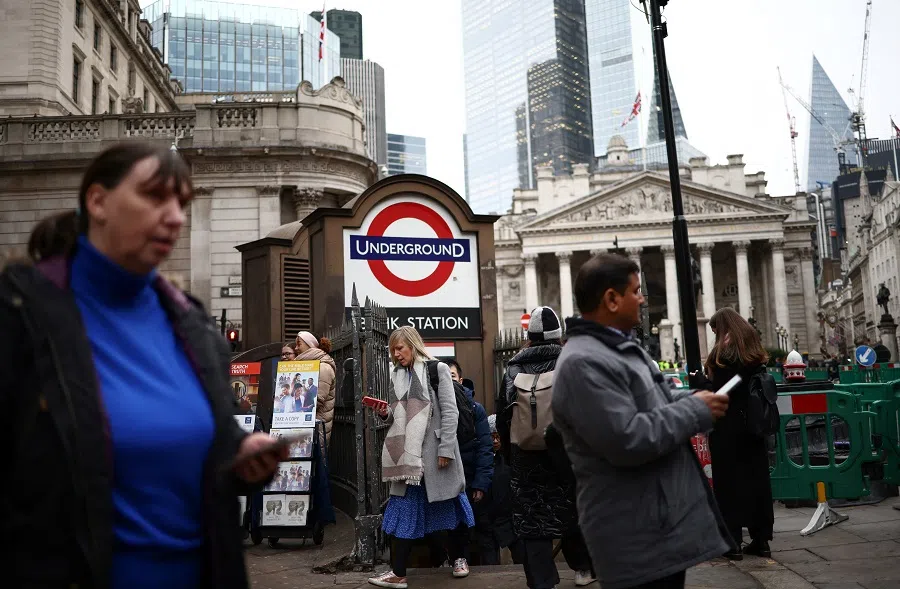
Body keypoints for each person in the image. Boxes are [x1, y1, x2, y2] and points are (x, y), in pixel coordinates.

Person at [0, 142, 286, 589]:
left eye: (181, 202)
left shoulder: (193, 325)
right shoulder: (21, 312)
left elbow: (211, 438)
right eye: (155, 196)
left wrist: (240, 455)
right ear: (97, 201)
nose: (174, 216)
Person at [552, 253, 733, 589]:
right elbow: (628, 438)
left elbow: (655, 403)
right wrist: (696, 412)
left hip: (654, 523)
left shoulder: (618, 349)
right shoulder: (583, 362)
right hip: (631, 532)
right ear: (611, 298)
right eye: (636, 291)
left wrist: (696, 400)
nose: (642, 298)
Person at [367, 326, 474, 589]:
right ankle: (398, 573)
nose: (396, 353)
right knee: (404, 510)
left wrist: (446, 450)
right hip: (408, 457)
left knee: (451, 505)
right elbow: (395, 415)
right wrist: (383, 413)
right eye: (393, 349)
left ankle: (460, 558)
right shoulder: (397, 375)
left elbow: (450, 413)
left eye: (400, 348)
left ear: (413, 345)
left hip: (436, 454)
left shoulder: (437, 370)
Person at [498, 306, 595, 589]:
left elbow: (504, 414)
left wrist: (509, 452)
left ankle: (542, 580)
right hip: (565, 453)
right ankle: (584, 569)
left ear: (529, 337)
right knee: (574, 509)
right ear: (557, 336)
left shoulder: (513, 367)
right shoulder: (571, 362)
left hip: (524, 455)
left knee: (532, 518)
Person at [689, 307, 774, 559]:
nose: (715, 334)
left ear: (724, 329)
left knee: (729, 484)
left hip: (728, 428)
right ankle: (761, 540)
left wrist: (699, 382)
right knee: (757, 482)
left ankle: (733, 543)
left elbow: (722, 391)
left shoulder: (725, 357)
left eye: (715, 330)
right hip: (753, 428)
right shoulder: (754, 355)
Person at [443, 359, 493, 566]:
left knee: (465, 522)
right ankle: (447, 557)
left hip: (468, 475)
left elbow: (485, 447)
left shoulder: (475, 409)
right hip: (443, 473)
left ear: (460, 380)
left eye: (452, 377)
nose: (449, 382)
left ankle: (460, 558)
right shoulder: (434, 407)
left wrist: (481, 483)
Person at [295, 331, 337, 445]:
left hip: (316, 428)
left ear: (310, 345)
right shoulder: (309, 365)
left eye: (299, 344)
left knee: (314, 461)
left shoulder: (323, 367)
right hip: (307, 425)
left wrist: (291, 411)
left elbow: (316, 400)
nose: (296, 348)